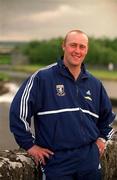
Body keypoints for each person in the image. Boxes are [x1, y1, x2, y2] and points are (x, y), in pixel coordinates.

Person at [10, 29, 115, 180]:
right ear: (64, 46)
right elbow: (18, 112)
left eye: (82, 46)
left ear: (87, 50)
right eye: (73, 45)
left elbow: (108, 118)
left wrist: (102, 139)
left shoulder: (95, 84)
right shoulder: (42, 78)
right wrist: (30, 145)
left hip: (89, 161)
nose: (77, 51)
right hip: (56, 161)